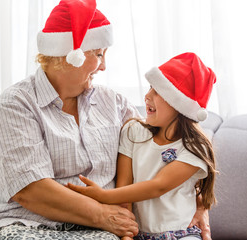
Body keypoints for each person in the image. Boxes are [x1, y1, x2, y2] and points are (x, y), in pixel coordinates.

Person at [0, 0, 212, 238]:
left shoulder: (115, 104)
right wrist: (103, 215)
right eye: (98, 54)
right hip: (26, 223)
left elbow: (164, 149)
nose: (104, 66)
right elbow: (31, 191)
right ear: (69, 55)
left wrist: (198, 204)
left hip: (101, 229)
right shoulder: (16, 105)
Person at [67, 52, 217, 240]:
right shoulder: (133, 131)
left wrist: (103, 196)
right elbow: (125, 185)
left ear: (179, 105)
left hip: (182, 233)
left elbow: (158, 186)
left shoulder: (194, 148)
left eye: (158, 91)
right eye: (150, 88)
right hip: (141, 234)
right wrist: (127, 236)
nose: (147, 96)